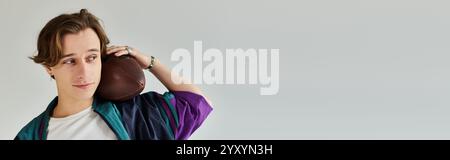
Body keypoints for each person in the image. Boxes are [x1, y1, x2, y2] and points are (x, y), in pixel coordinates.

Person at [15, 9, 212, 140]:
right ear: (49, 67)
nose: (84, 72)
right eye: (69, 61)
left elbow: (197, 102)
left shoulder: (135, 115)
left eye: (91, 58)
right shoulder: (30, 136)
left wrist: (150, 62)